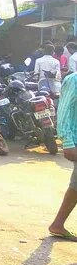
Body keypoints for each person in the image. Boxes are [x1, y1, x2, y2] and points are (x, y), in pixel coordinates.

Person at [48, 70, 77, 241]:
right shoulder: (74, 80)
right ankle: (57, 224)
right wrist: (67, 142)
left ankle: (58, 224)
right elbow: (64, 111)